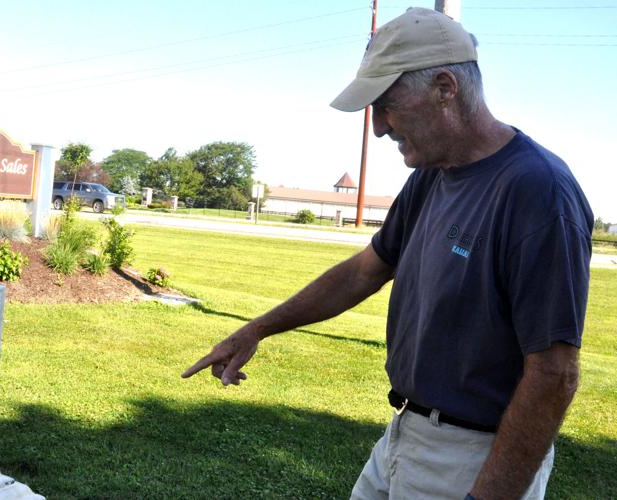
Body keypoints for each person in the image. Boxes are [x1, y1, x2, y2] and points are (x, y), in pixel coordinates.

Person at [182, 7, 593, 499]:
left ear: (445, 88)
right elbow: (363, 271)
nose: (378, 128)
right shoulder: (430, 176)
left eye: (387, 105)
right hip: (403, 435)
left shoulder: (537, 192)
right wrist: (258, 328)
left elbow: (554, 373)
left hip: (472, 458)